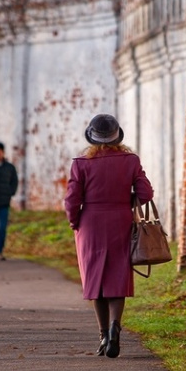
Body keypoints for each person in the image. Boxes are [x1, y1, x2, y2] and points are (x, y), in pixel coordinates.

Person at [64, 114, 154, 358]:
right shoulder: (131, 160)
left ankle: (103, 335)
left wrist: (74, 222)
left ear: (92, 137)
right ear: (117, 136)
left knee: (96, 280)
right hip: (120, 222)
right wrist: (129, 199)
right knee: (117, 278)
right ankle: (116, 327)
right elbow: (146, 193)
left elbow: (72, 200)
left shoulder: (81, 163)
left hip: (91, 224)